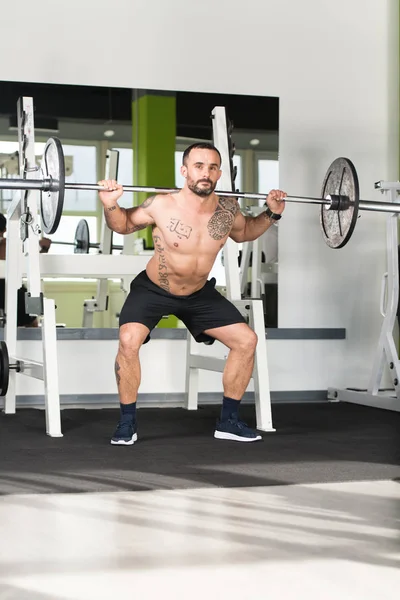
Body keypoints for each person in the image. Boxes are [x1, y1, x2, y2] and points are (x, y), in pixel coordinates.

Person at [98, 142, 286, 445]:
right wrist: (110, 203)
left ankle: (228, 421)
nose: (206, 173)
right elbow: (123, 225)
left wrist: (272, 214)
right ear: (184, 171)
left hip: (198, 293)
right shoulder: (161, 205)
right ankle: (126, 423)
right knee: (128, 340)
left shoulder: (227, 209)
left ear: (219, 173)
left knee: (246, 340)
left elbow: (246, 231)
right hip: (154, 289)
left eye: (212, 167)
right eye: (199, 166)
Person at [0, 213, 51, 327]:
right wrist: (42, 247)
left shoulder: (8, 244)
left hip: (8, 288)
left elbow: (28, 261)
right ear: (4, 229)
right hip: (7, 288)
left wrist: (41, 248)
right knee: (32, 323)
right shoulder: (6, 244)